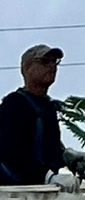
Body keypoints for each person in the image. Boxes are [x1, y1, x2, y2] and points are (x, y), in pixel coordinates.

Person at [0, 45, 67, 186]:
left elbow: (49, 150)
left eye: (54, 61)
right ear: (26, 68)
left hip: (42, 192)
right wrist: (46, 176)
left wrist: (67, 157)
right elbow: (12, 153)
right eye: (45, 61)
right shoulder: (14, 103)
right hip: (16, 193)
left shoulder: (48, 106)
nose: (52, 66)